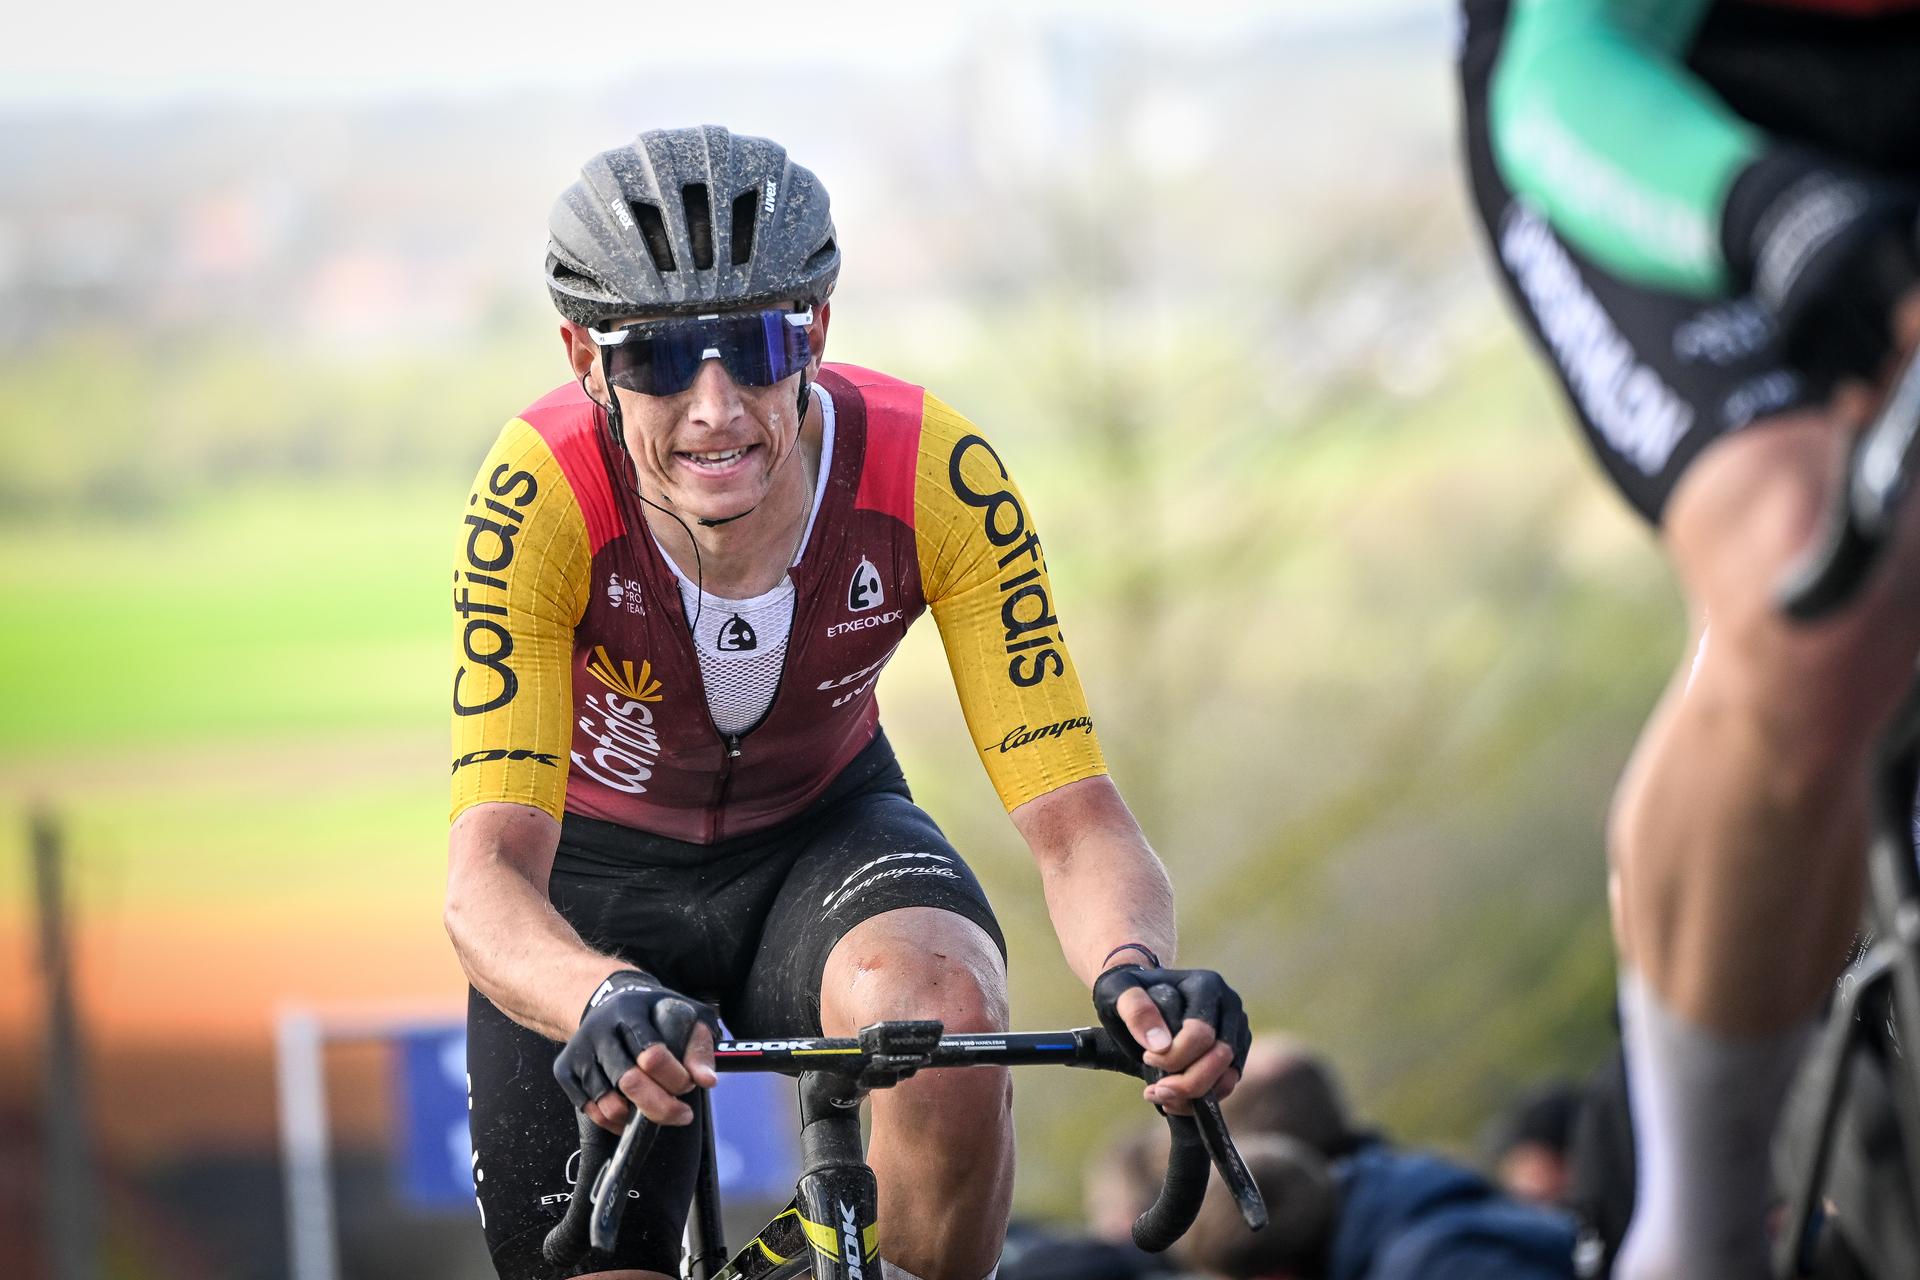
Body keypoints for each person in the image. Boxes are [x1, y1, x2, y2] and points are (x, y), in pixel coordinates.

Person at [442, 125, 1251, 1280]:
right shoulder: (539, 496)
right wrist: (595, 990)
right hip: (592, 884)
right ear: (584, 357)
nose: (714, 407)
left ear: (814, 332)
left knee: (950, 1014)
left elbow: (1075, 818)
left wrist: (1137, 971)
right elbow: (487, 880)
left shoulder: (934, 472)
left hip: (821, 837)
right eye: (660, 362)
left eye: (755, 345)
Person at [1459, 2, 1920, 1276]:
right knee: (1807, 554)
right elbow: (1568, 68)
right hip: (1658, 88)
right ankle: (1698, 1225)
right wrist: (1769, 210)